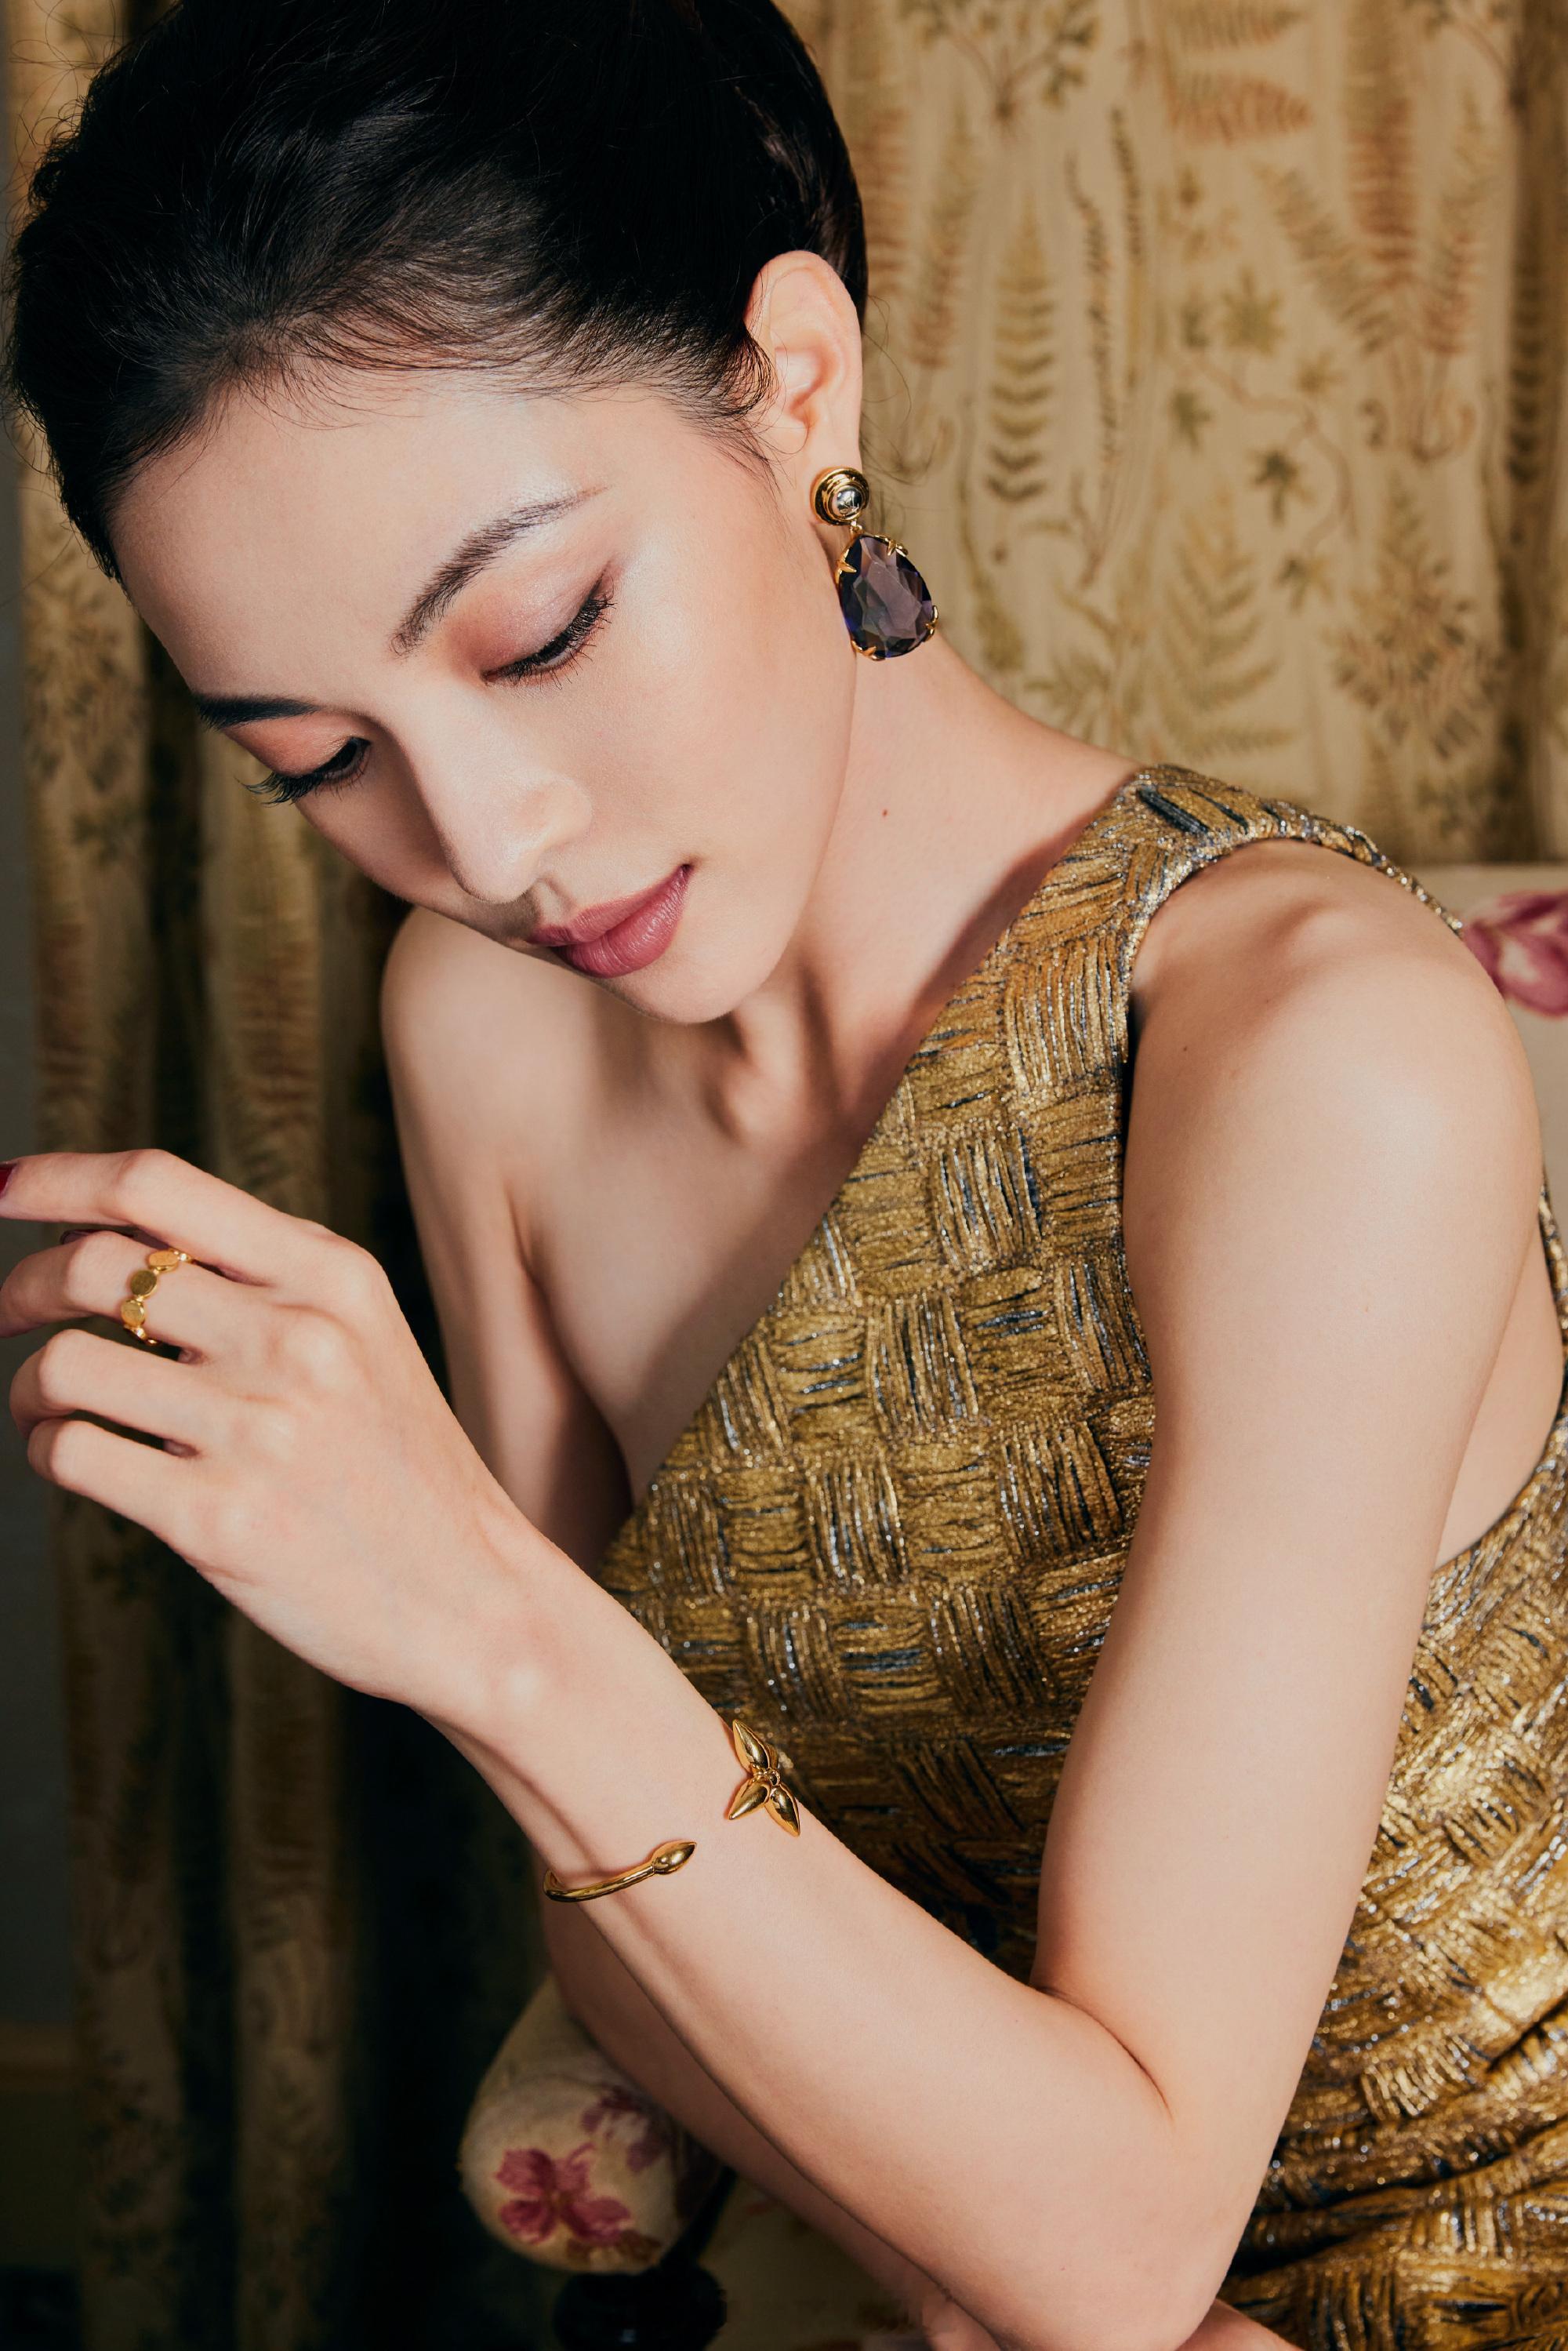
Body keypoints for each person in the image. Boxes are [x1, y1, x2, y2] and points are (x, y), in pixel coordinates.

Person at [4, 2, 1568, 2346]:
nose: (488, 849)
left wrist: (485, 1617)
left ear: (799, 386)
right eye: (319, 761)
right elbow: (621, 1945)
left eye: (541, 633)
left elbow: (1123, 2235)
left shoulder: (1310, 1060)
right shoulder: (491, 1036)